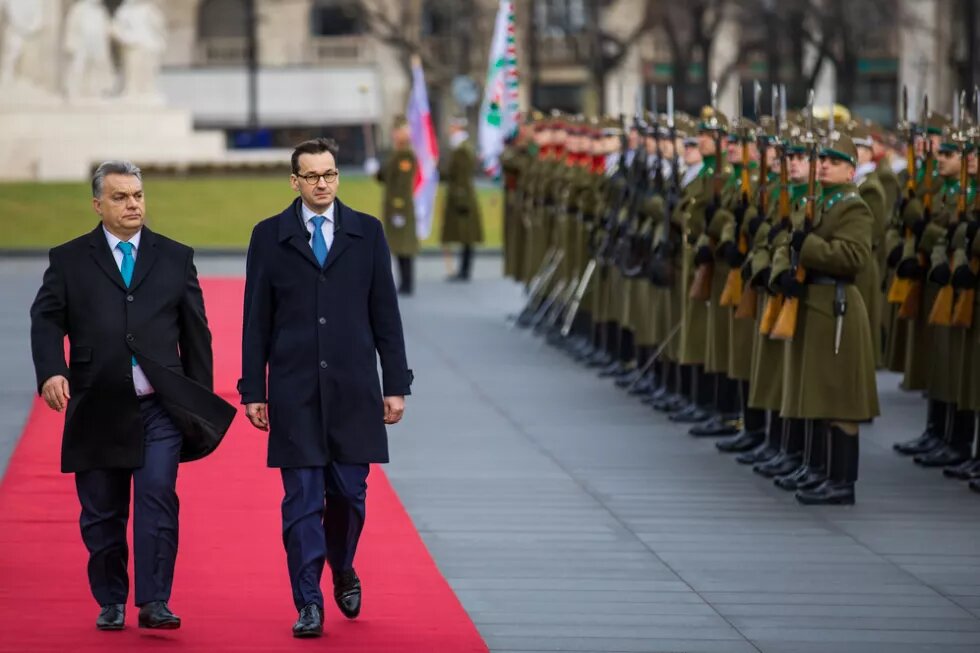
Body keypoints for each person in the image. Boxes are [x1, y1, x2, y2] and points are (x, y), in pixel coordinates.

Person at [29, 160, 236, 631]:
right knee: (101, 513)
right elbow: (45, 321)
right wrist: (51, 372)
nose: (132, 205)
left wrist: (194, 402)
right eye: (121, 197)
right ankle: (112, 599)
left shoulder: (175, 256)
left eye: (138, 196)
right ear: (97, 204)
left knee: (158, 497)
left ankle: (155, 600)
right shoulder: (68, 259)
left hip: (159, 409)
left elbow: (196, 334)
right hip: (97, 405)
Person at [240, 137, 413, 638]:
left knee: (349, 497)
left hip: (354, 390)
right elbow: (256, 321)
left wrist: (395, 383)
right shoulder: (269, 237)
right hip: (294, 392)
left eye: (330, 174)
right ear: (294, 181)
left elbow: (386, 316)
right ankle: (309, 602)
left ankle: (342, 565)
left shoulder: (367, 233)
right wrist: (254, 389)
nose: (323, 184)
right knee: (301, 503)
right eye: (312, 176)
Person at [376, 115, 419, 294]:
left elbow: (402, 183)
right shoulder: (396, 154)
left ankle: (407, 283)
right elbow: (386, 178)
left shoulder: (406, 155)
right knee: (399, 244)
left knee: (405, 245)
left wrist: (399, 208)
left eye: (398, 131)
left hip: (400, 207)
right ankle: (403, 282)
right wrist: (376, 170)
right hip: (394, 206)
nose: (395, 135)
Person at [440, 117, 484, 281]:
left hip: (462, 197)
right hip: (459, 196)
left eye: (452, 126)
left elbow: (463, 177)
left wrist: (461, 198)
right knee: (463, 234)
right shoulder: (458, 148)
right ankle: (463, 269)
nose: (450, 129)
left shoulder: (462, 150)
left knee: (466, 235)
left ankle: (465, 270)